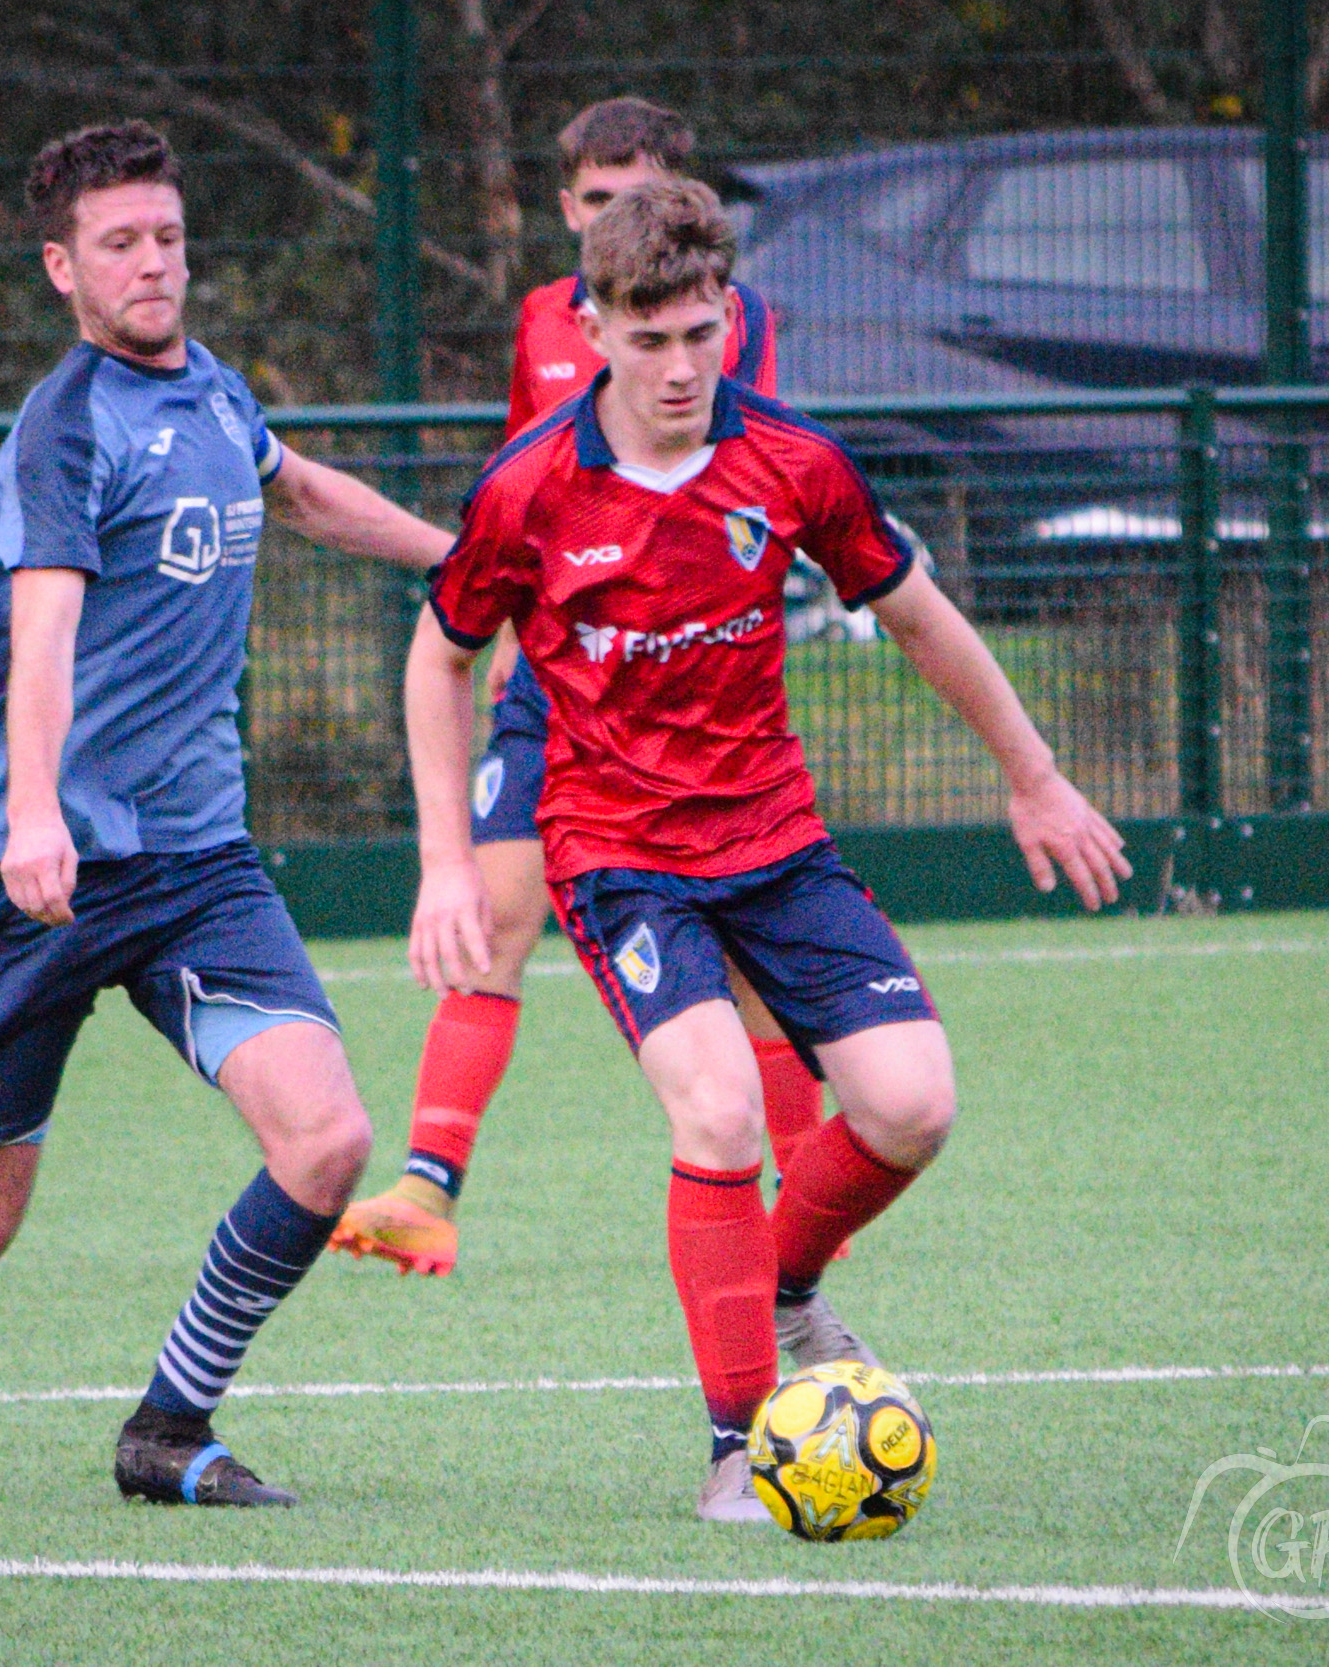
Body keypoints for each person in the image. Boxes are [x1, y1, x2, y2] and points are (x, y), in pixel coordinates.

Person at [0, 121, 451, 1509]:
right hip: (47, 869)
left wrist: (467, 560)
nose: (153, 264)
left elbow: (299, 494)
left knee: (328, 1139)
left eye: (168, 237)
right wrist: (37, 814)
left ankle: (169, 1429)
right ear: (64, 267)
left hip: (199, 864)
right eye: (120, 243)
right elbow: (43, 633)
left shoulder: (219, 396)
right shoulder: (67, 426)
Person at [404, 180, 1130, 1522]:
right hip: (618, 855)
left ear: (728, 316)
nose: (681, 366)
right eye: (651, 337)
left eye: (701, 332)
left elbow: (921, 617)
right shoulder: (530, 489)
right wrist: (450, 856)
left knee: (913, 1106)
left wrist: (1036, 780)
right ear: (596, 328)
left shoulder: (794, 462)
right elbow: (440, 656)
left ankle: (787, 1284)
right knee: (724, 1108)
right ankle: (737, 1443)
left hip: (777, 840)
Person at [329, 95, 831, 1293]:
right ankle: (427, 1186)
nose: (620, 219)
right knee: (496, 915)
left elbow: (716, 475)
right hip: (554, 673)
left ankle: (811, 1207)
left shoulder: (721, 326)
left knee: (751, 955)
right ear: (567, 210)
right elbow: (532, 470)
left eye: (642, 197)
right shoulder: (540, 324)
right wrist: (510, 615)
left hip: (680, 688)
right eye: (599, 201)